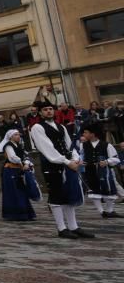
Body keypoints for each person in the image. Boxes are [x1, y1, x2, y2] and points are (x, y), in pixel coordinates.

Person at [30, 99, 93, 239]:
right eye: (45, 109)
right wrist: (65, 161)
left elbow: (69, 145)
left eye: (50, 109)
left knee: (69, 195)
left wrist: (75, 159)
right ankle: (61, 228)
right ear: (40, 112)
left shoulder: (61, 127)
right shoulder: (37, 128)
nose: (48, 111)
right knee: (56, 195)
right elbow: (47, 148)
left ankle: (73, 226)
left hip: (67, 163)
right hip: (53, 165)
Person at [80, 123, 121, 219]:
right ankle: (102, 212)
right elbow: (80, 156)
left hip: (104, 172)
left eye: (86, 133)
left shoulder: (106, 145)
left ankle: (110, 211)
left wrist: (107, 161)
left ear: (92, 134)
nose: (83, 135)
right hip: (90, 171)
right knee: (94, 192)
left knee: (108, 190)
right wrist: (81, 162)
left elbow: (116, 158)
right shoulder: (83, 145)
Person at [0, 130, 39, 221]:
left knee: (21, 191)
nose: (18, 136)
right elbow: (12, 157)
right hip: (10, 171)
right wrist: (23, 163)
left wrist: (27, 163)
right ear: (10, 137)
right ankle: (15, 214)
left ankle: (25, 213)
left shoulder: (19, 146)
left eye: (18, 135)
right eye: (15, 135)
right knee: (14, 191)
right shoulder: (8, 146)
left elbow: (26, 155)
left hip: (18, 170)